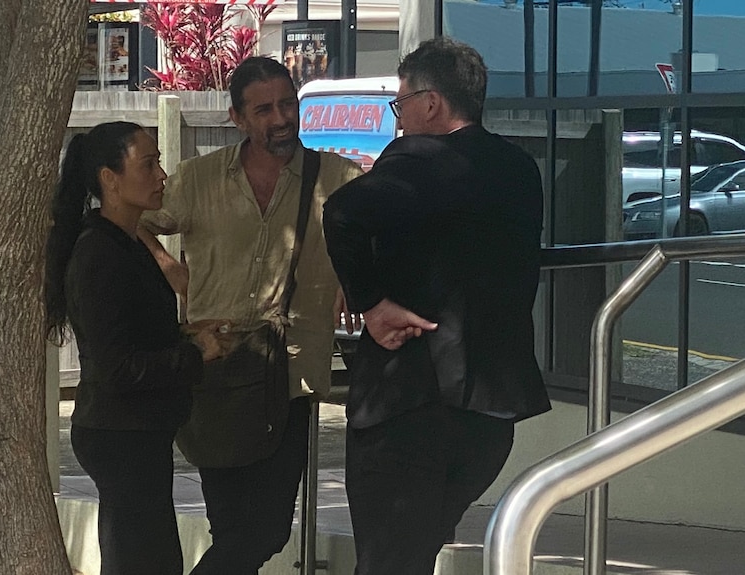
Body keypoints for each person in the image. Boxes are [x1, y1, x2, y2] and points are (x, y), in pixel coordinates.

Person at [322, 38, 552, 575]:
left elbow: (341, 215)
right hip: (491, 416)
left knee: (386, 562)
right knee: (414, 555)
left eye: (400, 104)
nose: (398, 119)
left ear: (430, 103)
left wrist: (371, 302)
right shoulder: (519, 169)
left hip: (410, 408)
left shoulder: (416, 159)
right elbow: (455, 236)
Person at [138, 56, 364, 574]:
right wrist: (167, 265)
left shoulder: (339, 179)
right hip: (217, 375)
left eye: (288, 104)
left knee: (263, 531)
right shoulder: (198, 179)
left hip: (291, 377)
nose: (281, 118)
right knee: (235, 530)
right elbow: (125, 218)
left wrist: (356, 278)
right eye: (264, 109)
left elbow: (384, 241)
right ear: (237, 118)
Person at [45, 122, 225, 575]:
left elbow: (134, 333)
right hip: (119, 432)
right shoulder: (98, 255)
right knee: (142, 560)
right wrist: (193, 355)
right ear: (110, 178)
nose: (161, 175)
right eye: (148, 164)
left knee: (150, 557)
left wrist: (187, 335)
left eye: (159, 162)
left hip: (138, 431)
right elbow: (116, 367)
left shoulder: (125, 242)